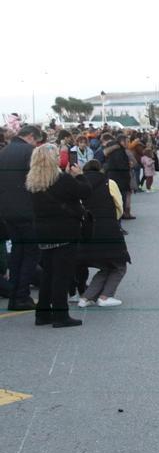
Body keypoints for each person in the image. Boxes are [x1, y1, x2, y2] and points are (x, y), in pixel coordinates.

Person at [27, 144, 91, 327]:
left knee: (48, 273)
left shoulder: (33, 181)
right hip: (64, 230)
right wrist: (79, 175)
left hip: (42, 232)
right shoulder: (62, 180)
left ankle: (43, 313)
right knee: (61, 275)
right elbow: (85, 192)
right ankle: (61, 315)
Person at [0, 125, 44, 311]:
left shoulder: (4, 151)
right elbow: (38, 181)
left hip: (6, 211)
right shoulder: (30, 152)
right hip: (27, 210)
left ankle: (14, 295)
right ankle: (22, 296)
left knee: (17, 253)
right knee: (30, 253)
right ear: (32, 137)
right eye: (37, 140)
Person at [76, 160, 129, 308]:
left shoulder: (78, 182)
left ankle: (86, 297)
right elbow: (119, 206)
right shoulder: (109, 183)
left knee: (106, 266)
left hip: (86, 230)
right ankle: (105, 296)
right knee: (119, 265)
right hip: (108, 229)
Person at [104, 133, 134, 221]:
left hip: (115, 176)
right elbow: (119, 164)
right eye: (127, 141)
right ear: (122, 141)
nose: (128, 143)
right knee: (121, 196)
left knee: (120, 195)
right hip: (119, 177)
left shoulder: (115, 149)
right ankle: (122, 213)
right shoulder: (118, 151)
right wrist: (128, 166)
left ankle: (123, 213)